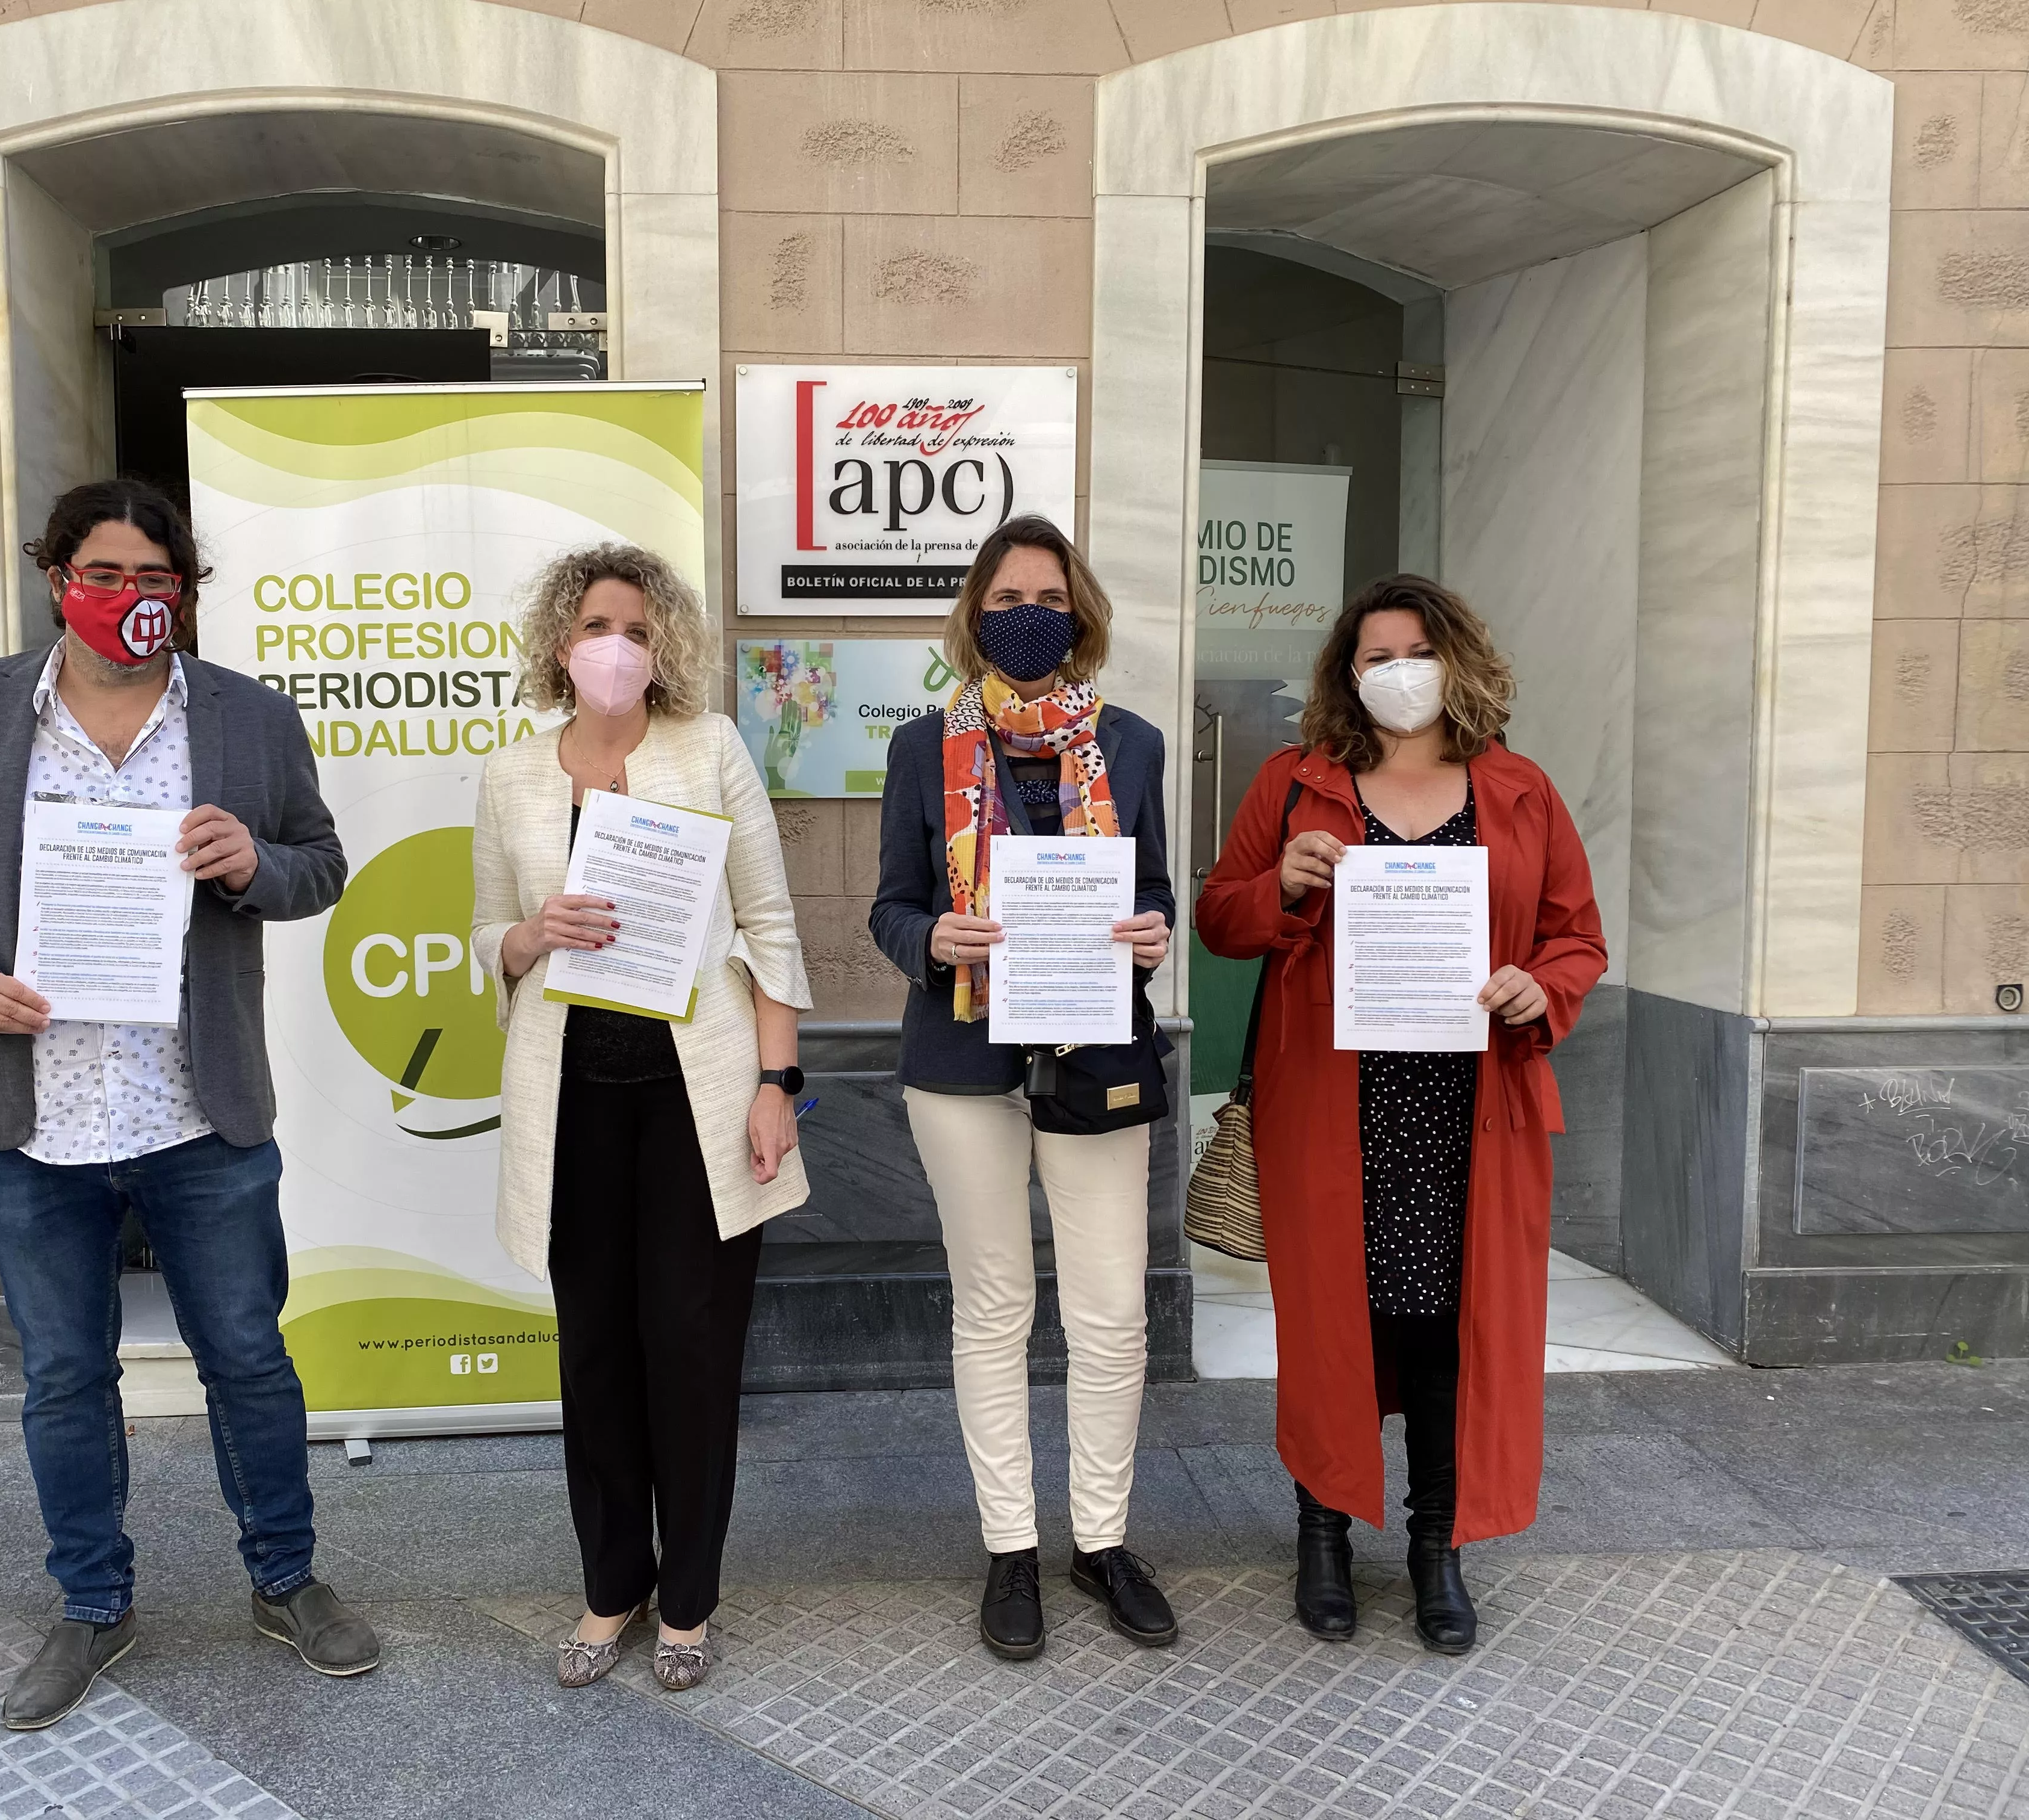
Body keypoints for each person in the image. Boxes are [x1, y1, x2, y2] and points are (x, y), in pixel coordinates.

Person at [0, 478, 379, 1730]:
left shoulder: (249, 720)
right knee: (63, 1377)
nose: (132, 599)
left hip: (195, 1112)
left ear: (186, 591)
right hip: (33, 1116)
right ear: (58, 579)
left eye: (158, 579)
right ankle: (95, 1605)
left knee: (250, 1361)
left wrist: (260, 866)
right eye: (106, 574)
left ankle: (285, 1578)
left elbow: (321, 862)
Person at [1195, 574, 1606, 1655]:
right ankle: (1322, 1534)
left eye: (1414, 650)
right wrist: (1280, 884)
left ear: (1457, 660)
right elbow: (1218, 919)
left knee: (1446, 1330)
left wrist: (1540, 988)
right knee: (1336, 1326)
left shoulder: (1520, 791)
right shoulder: (1295, 784)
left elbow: (1579, 938)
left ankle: (1437, 1547)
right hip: (1336, 1108)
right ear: (1347, 675)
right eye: (1374, 657)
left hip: (1471, 1109)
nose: (1396, 672)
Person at [471, 542, 813, 1694]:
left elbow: (769, 925)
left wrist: (779, 1084)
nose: (614, 646)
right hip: (571, 1103)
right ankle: (612, 1583)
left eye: (634, 627)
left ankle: (690, 1599)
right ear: (559, 644)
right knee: (599, 1355)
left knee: (694, 1351)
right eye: (593, 627)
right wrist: (531, 937)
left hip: (700, 1101)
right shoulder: (515, 774)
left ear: (661, 645)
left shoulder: (708, 748)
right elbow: (488, 935)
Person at [867, 514, 1179, 1662]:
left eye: (1047, 593)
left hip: (1096, 1056)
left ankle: (1100, 1541)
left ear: (1080, 609)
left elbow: (1152, 894)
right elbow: (890, 906)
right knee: (993, 1308)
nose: (1026, 612)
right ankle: (1011, 1547)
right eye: (1005, 597)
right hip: (963, 1068)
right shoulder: (922, 750)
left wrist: (1154, 933)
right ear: (976, 614)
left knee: (1110, 1315)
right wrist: (932, 937)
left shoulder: (1134, 745)